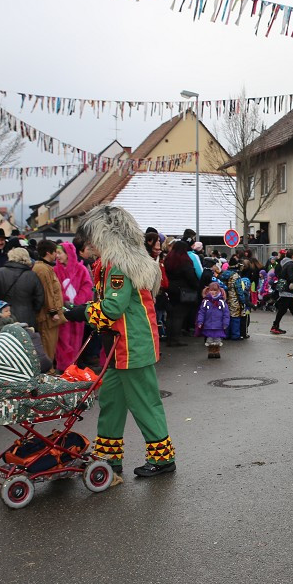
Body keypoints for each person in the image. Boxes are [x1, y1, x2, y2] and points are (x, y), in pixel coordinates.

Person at [67, 205, 177, 479]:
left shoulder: (118, 266)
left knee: (144, 402)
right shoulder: (110, 263)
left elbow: (112, 309)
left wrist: (81, 312)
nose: (88, 244)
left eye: (91, 237)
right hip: (118, 347)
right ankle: (108, 457)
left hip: (132, 346)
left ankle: (162, 459)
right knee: (111, 401)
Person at [55, 241, 93, 371]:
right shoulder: (55, 270)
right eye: (57, 253)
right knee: (62, 339)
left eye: (60, 253)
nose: (57, 256)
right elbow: (55, 289)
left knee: (76, 339)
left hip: (76, 310)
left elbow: (87, 286)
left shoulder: (81, 269)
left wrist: (77, 301)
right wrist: (64, 300)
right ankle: (63, 366)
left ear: (68, 254)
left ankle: (72, 366)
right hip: (63, 310)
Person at [0, 247, 43, 327]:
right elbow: (39, 298)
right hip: (27, 316)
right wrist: (32, 309)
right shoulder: (32, 275)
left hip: (2, 316)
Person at [32, 240, 64, 366]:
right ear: (48, 253)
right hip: (47, 317)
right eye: (55, 252)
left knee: (51, 347)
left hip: (49, 316)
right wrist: (53, 312)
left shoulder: (45, 267)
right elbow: (48, 292)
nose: (56, 255)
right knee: (47, 347)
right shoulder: (42, 269)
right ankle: (48, 374)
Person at [163, 240, 199, 347]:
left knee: (171, 315)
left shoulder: (168, 259)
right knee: (179, 315)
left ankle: (169, 338)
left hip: (171, 289)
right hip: (183, 290)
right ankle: (175, 339)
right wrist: (196, 286)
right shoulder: (184, 261)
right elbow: (190, 276)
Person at [196, 281, 229, 359]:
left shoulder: (222, 302)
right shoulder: (206, 302)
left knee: (217, 340)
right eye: (211, 290)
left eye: (215, 290)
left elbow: (226, 314)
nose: (213, 292)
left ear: (219, 291)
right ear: (208, 290)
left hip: (219, 326)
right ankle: (210, 352)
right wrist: (200, 322)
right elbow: (201, 312)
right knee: (209, 340)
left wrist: (225, 323)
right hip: (208, 325)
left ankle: (217, 352)